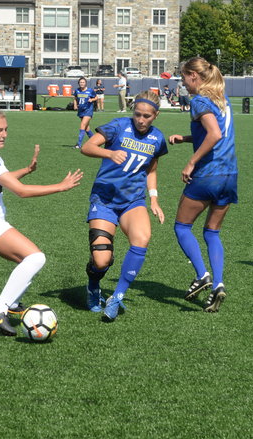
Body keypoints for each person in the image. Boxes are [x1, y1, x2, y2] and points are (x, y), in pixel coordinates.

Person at [0, 106, 83, 335]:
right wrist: (60, 186)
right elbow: (21, 191)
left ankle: (12, 304)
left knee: (26, 260)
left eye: (5, 129)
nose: (4, 134)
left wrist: (26, 170)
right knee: (35, 258)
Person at [80, 90, 167, 321]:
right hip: (105, 199)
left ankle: (116, 297)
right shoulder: (118, 126)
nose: (141, 120)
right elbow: (87, 148)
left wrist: (154, 198)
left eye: (147, 116)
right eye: (137, 114)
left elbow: (152, 170)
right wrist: (109, 153)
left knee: (142, 239)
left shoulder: (157, 138)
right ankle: (93, 284)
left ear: (156, 115)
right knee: (101, 261)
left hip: (133, 200)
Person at [168, 57, 238, 313]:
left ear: (193, 76)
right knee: (212, 232)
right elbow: (216, 132)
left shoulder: (199, 100)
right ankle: (218, 284)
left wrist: (191, 162)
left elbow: (214, 134)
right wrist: (186, 138)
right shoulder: (222, 99)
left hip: (209, 173)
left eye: (183, 77)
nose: (183, 83)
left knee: (182, 227)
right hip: (230, 175)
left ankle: (202, 275)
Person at [72, 77, 97, 149]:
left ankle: (79, 144)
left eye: (83, 82)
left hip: (88, 110)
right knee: (86, 128)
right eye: (80, 82)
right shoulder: (77, 90)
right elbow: (75, 98)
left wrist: (92, 99)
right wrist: (75, 105)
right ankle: (95, 142)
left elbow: (96, 97)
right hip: (81, 110)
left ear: (85, 83)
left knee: (82, 125)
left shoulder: (90, 90)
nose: (82, 83)